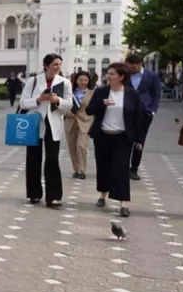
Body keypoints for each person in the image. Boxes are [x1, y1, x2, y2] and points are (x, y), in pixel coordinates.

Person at [85, 63, 144, 217]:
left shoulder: (132, 94)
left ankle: (123, 203)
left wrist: (139, 139)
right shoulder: (101, 92)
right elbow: (89, 110)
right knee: (103, 166)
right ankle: (103, 194)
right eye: (108, 73)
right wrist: (101, 104)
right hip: (103, 134)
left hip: (123, 137)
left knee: (121, 168)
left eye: (112, 74)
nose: (108, 76)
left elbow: (139, 117)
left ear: (121, 76)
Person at [18, 53, 72, 207]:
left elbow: (69, 104)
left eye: (59, 64)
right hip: (35, 122)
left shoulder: (64, 82)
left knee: (52, 159)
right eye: (55, 64)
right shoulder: (33, 81)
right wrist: (39, 99)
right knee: (33, 158)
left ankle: (53, 196)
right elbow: (23, 103)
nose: (58, 67)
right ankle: (34, 194)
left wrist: (58, 100)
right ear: (46, 65)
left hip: (53, 123)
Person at [124, 53, 161, 181]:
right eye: (129, 67)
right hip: (127, 111)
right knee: (125, 138)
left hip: (145, 112)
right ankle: (123, 167)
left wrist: (152, 110)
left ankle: (134, 168)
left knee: (139, 141)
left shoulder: (151, 76)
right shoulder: (125, 75)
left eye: (133, 68)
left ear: (140, 64)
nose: (131, 70)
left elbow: (156, 94)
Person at [64, 71, 93, 180]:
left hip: (85, 123)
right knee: (72, 147)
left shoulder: (92, 93)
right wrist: (66, 112)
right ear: (76, 80)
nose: (83, 82)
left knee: (81, 145)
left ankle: (82, 170)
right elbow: (61, 105)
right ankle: (76, 170)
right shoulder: (69, 93)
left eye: (85, 80)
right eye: (80, 80)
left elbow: (94, 108)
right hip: (70, 122)